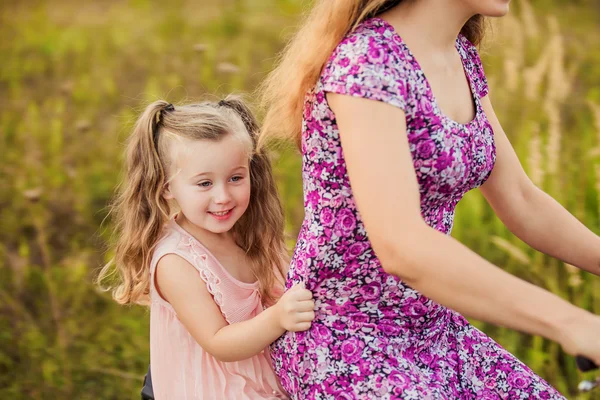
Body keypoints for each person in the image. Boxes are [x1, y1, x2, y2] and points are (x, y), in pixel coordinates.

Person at [258, 0, 600, 398]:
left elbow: (520, 199)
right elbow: (402, 246)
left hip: (433, 330)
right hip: (349, 343)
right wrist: (570, 322)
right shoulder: (367, 62)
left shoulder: (459, 55)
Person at [98, 96, 315, 399]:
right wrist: (278, 318)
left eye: (235, 177)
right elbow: (218, 341)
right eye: (204, 184)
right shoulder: (176, 261)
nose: (223, 196)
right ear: (167, 187)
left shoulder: (252, 232)